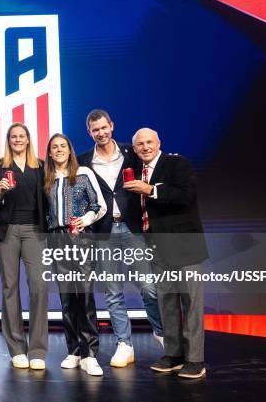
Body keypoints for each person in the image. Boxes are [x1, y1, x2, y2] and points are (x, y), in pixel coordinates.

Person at [78, 109, 163, 368]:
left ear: (112, 126)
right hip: (104, 231)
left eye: (104, 127)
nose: (101, 133)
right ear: (89, 132)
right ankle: (124, 344)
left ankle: (161, 333)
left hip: (132, 227)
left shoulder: (131, 153)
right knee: (113, 292)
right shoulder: (83, 161)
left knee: (148, 286)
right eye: (95, 130)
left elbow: (154, 170)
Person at [126, 128, 208, 379]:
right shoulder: (134, 172)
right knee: (167, 303)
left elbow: (185, 196)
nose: (145, 147)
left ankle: (195, 359)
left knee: (191, 303)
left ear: (159, 142)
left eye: (149, 142)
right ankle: (173, 354)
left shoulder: (176, 163)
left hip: (184, 245)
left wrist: (150, 190)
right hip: (157, 246)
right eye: (139, 144)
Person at [43, 134, 107, 376]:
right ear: (49, 153)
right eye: (54, 147)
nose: (59, 150)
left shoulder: (84, 173)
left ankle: (90, 353)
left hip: (81, 238)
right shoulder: (47, 178)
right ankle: (74, 350)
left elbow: (99, 206)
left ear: (69, 150)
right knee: (67, 296)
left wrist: (85, 220)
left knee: (85, 294)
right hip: (56, 239)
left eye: (63, 146)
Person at [0, 122, 48, 370]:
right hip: (7, 231)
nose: (18, 139)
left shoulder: (41, 166)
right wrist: (0, 193)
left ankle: (37, 350)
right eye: (13, 136)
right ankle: (16, 348)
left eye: (22, 136)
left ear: (28, 138)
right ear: (8, 140)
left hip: (35, 230)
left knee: (39, 286)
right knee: (9, 287)